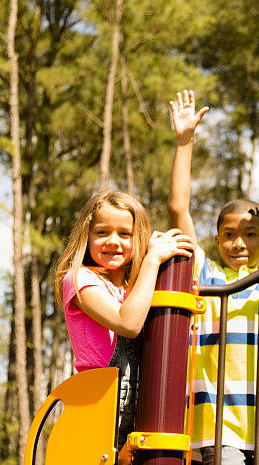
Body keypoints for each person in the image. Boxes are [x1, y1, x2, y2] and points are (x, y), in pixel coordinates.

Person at [167, 90, 259, 465]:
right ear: (216, 240)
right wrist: (184, 142)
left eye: (250, 235)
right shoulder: (203, 273)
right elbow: (177, 209)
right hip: (217, 426)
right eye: (229, 235)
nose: (238, 243)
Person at [54, 190, 194, 459]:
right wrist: (153, 259)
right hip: (98, 406)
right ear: (87, 236)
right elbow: (127, 323)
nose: (113, 242)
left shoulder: (136, 289)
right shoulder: (79, 279)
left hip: (141, 407)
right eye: (102, 232)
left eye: (125, 234)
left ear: (137, 238)